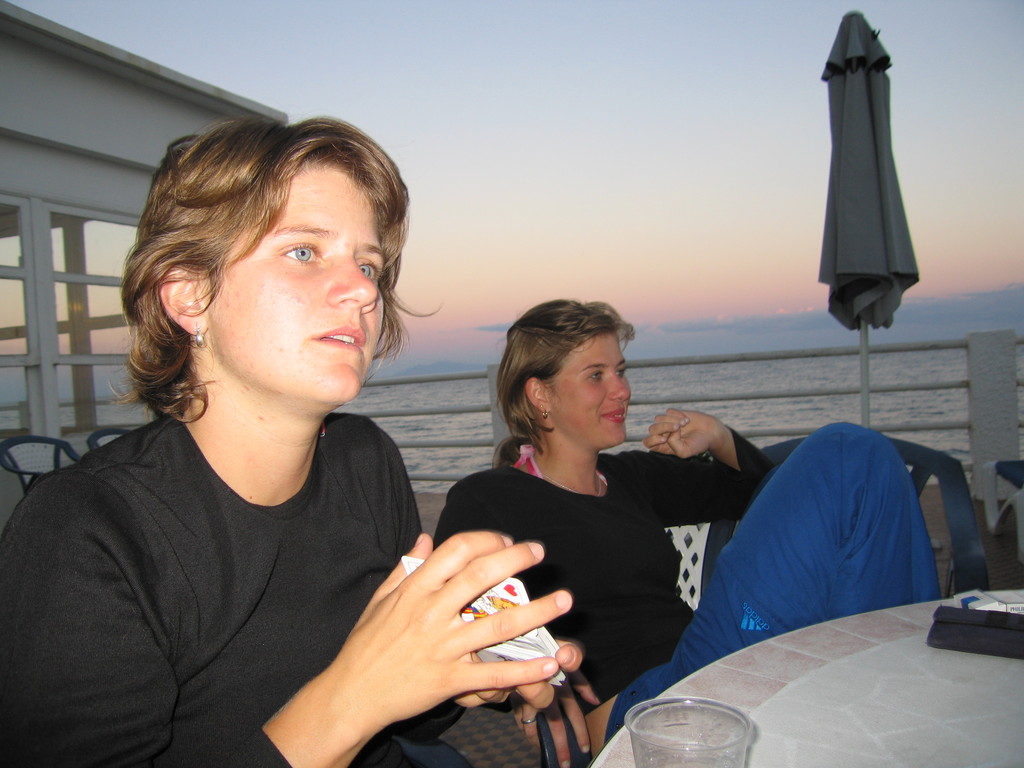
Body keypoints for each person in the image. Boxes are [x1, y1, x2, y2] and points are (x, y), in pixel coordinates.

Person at [0, 118, 583, 768]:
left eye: (369, 263)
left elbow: (401, 721)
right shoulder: (83, 532)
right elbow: (361, 700)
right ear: (189, 295)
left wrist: (462, 665)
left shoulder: (365, 460)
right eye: (304, 252)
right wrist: (355, 695)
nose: (364, 290)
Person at [435, 299, 940, 760]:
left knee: (865, 460)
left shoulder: (634, 477)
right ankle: (892, 676)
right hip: (644, 706)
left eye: (620, 371)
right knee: (847, 451)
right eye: (596, 375)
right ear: (540, 394)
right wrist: (531, 680)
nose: (622, 390)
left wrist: (718, 438)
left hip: (705, 657)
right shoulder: (489, 497)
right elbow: (454, 627)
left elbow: (767, 499)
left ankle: (882, 678)